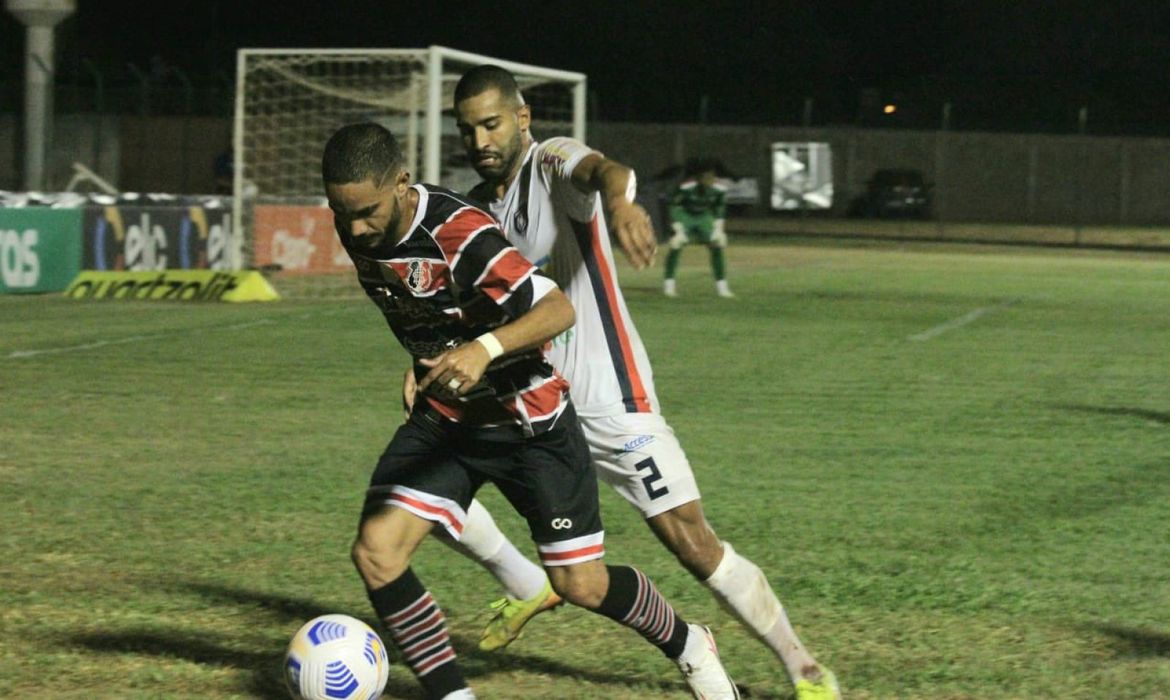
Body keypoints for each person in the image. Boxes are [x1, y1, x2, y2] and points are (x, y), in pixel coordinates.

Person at [425, 65, 841, 700]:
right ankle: (522, 581)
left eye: (492, 123)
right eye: (468, 129)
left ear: (523, 118)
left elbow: (605, 171)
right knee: (428, 482)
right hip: (535, 407)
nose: (481, 139)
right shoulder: (483, 209)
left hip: (610, 399)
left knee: (694, 545)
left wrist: (620, 202)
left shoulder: (551, 163)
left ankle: (803, 668)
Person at [323, 122, 740, 700]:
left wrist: (482, 350)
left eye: (366, 211)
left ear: (401, 182)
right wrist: (427, 361)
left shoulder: (462, 234)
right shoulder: (359, 226)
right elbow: (426, 305)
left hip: (529, 421)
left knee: (581, 584)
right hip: (450, 422)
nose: (355, 227)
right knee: (377, 553)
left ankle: (691, 643)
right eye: (341, 213)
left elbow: (558, 308)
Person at [664, 158, 734, 298]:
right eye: (707, 177)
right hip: (685, 214)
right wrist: (677, 228)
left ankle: (722, 288)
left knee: (717, 245)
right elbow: (673, 206)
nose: (710, 180)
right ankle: (669, 285)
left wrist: (718, 229)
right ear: (699, 177)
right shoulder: (686, 187)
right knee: (676, 244)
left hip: (704, 216)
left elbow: (719, 209)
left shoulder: (719, 189)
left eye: (712, 176)